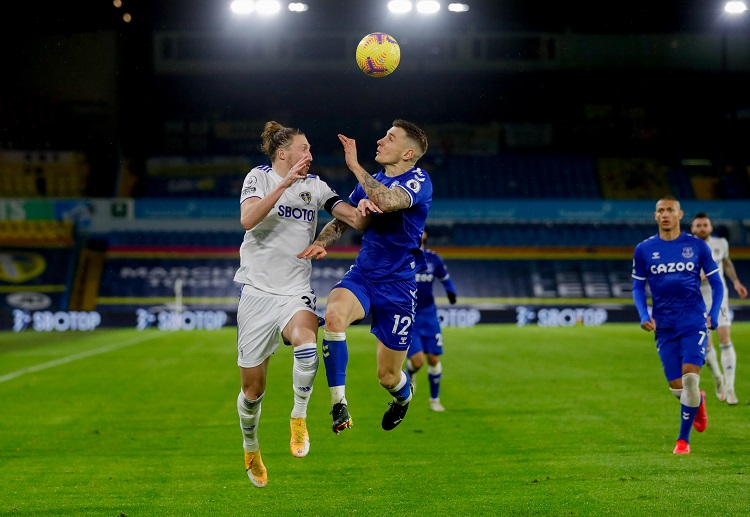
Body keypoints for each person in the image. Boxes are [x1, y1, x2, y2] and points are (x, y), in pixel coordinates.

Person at [234, 121, 374, 488]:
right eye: (304, 149)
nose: (310, 155)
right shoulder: (259, 178)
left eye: (311, 150)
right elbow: (248, 220)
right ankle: (251, 448)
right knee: (252, 392)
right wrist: (283, 185)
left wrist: (365, 205)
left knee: (308, 343)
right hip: (256, 293)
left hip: (294, 291)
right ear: (283, 154)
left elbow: (354, 218)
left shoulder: (316, 187)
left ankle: (298, 418)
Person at [311, 119, 432, 433]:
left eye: (389, 138)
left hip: (399, 288)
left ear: (407, 153)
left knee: (388, 378)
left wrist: (353, 165)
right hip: (364, 275)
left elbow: (390, 201)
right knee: (334, 315)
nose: (380, 141)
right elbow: (343, 221)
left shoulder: (419, 179)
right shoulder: (372, 180)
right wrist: (320, 243)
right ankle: (339, 406)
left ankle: (403, 398)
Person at [632, 196, 724, 455]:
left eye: (670, 210)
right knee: (678, 390)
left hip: (693, 322)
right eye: (660, 210)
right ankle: (699, 403)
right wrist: (643, 314)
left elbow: (717, 283)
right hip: (665, 326)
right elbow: (638, 285)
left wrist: (713, 313)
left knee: (690, 378)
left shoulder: (697, 247)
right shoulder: (644, 249)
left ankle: (683, 441)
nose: (665, 215)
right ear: (655, 216)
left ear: (679, 214)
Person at [690, 212, 748, 405]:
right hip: (697, 300)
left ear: (710, 227)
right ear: (692, 229)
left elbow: (726, 262)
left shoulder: (721, 243)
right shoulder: (686, 247)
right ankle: (718, 378)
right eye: (698, 225)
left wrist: (736, 282)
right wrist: (697, 278)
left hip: (718, 298)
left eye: (704, 225)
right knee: (705, 345)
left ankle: (730, 387)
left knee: (725, 339)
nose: (701, 228)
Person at [405, 228, 457, 412]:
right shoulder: (403, 257)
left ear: (425, 235)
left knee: (434, 359)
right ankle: (410, 373)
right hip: (409, 317)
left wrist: (451, 292)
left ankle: (434, 400)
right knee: (418, 361)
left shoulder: (434, 258)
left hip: (429, 316)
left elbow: (446, 279)